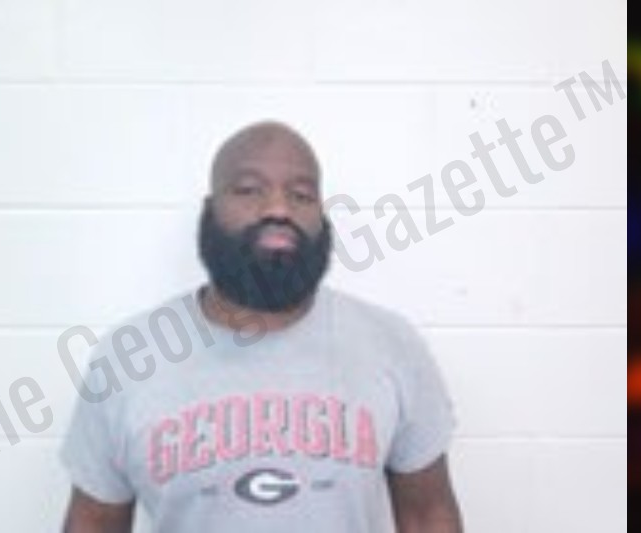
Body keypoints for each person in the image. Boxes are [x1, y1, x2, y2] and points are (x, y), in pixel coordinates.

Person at [60, 121, 463, 532]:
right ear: (210, 209)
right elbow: (94, 522)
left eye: (301, 195)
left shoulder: (391, 345)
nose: (278, 209)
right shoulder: (129, 360)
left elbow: (427, 513)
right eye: (249, 189)